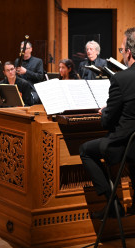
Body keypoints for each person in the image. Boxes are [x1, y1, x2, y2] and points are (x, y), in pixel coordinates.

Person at [79, 27, 135, 219]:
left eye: (121, 50)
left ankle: (113, 205)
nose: (122, 54)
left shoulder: (121, 78)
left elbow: (106, 122)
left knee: (85, 150)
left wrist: (106, 111)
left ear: (128, 52)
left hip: (125, 144)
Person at [0, 61, 32, 142]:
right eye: (8, 70)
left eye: (12, 69)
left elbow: (29, 103)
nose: (10, 72)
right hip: (4, 113)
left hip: (18, 114)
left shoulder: (24, 84)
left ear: (15, 70)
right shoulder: (1, 84)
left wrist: (20, 109)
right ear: (4, 72)